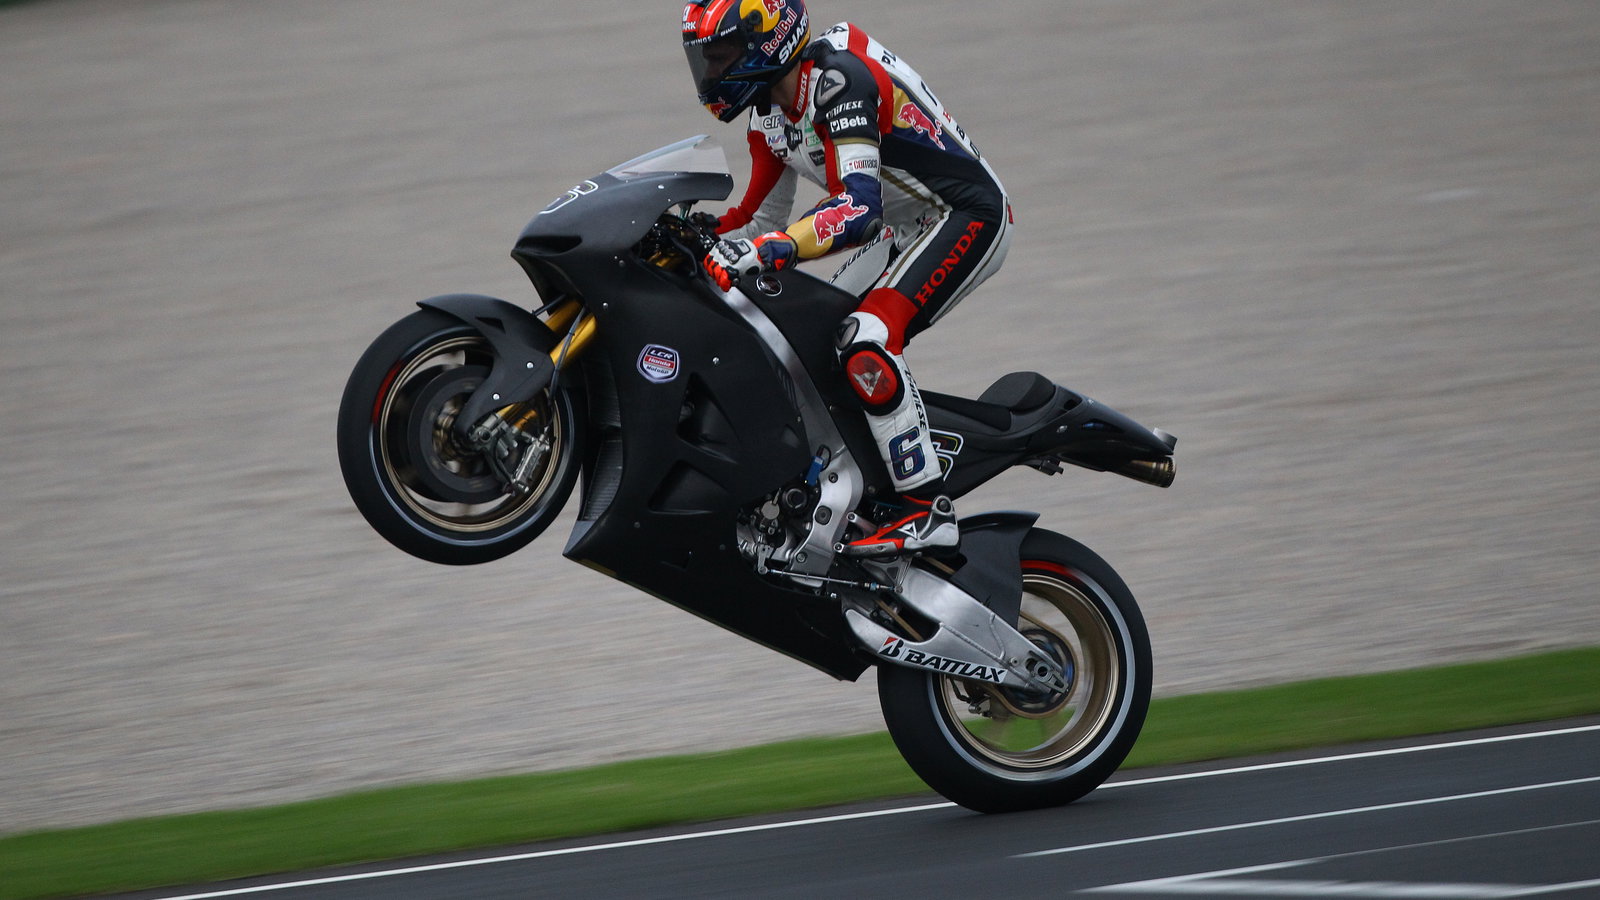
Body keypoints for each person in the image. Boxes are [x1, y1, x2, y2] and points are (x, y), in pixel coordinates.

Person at [681, 0, 1012, 556]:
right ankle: (861, 481)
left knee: (866, 337)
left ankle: (927, 507)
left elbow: (861, 210)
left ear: (769, 42)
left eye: (723, 56)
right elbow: (759, 219)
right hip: (903, 229)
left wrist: (775, 249)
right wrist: (691, 236)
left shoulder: (840, 82)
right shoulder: (768, 112)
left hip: (963, 216)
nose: (712, 74)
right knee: (805, 332)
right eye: (705, 60)